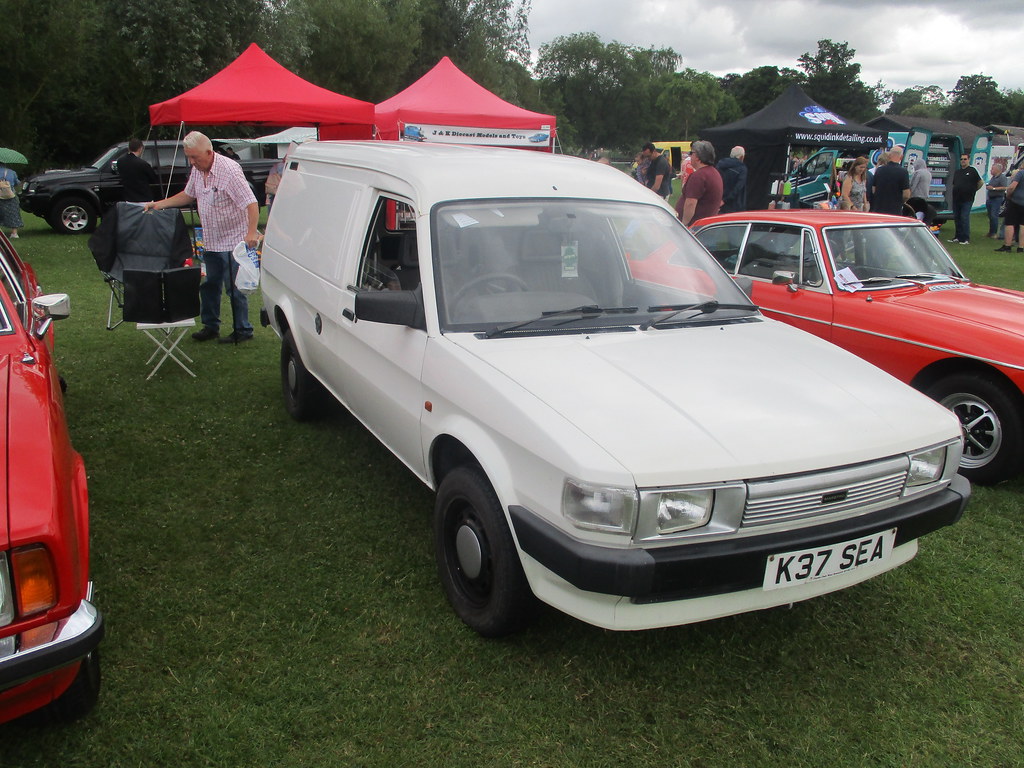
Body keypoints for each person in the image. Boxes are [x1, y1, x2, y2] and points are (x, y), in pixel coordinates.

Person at [145, 131, 259, 344]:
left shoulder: (230, 171)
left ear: (209, 152)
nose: (191, 162)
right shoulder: (198, 170)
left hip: (233, 240)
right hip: (211, 239)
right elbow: (189, 194)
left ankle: (242, 329)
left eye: (195, 157)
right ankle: (211, 325)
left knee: (233, 288)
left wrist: (251, 232)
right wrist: (160, 204)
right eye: (188, 157)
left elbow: (251, 203)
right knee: (209, 284)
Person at [676, 141, 723, 226]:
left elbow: (690, 203)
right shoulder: (714, 173)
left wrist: (683, 224)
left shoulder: (698, 176)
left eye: (691, 153)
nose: (690, 156)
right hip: (706, 226)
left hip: (695, 227)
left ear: (697, 157)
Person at [949, 153, 983, 244]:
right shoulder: (958, 172)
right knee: (957, 217)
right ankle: (958, 236)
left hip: (967, 199)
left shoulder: (972, 171)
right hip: (957, 198)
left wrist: (973, 190)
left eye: (965, 159)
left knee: (964, 217)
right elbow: (954, 184)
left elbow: (980, 182)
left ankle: (965, 238)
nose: (963, 161)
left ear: (969, 160)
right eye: (961, 159)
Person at [871, 147, 910, 216]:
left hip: (878, 209)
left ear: (889, 156)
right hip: (895, 210)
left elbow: (874, 190)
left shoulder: (879, 170)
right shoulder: (903, 172)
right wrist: (900, 201)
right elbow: (906, 194)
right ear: (901, 157)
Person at [118, 138, 159, 203]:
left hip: (129, 199)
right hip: (144, 199)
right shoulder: (143, 164)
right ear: (140, 148)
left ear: (129, 148)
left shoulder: (120, 161)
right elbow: (153, 179)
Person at [995, 165, 1024, 253]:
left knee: (1010, 223)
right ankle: (1021, 247)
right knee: (1023, 225)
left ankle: (1007, 246)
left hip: (1016, 201)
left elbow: (1012, 186)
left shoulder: (1021, 173)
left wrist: (1008, 195)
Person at [717, 146, 747, 213]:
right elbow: (739, 187)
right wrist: (725, 200)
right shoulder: (742, 168)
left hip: (719, 203)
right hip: (735, 205)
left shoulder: (720, 165)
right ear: (742, 157)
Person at [985, 161, 1008, 239]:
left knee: (994, 216)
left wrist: (994, 188)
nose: (991, 170)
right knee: (990, 216)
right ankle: (990, 232)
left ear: (998, 170)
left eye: (992, 169)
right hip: (990, 199)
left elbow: (1005, 187)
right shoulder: (993, 177)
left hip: (997, 199)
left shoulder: (1002, 177)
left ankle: (994, 233)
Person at [0, 164, 23, 239]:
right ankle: (14, 233)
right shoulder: (12, 172)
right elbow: (17, 183)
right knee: (13, 213)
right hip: (10, 195)